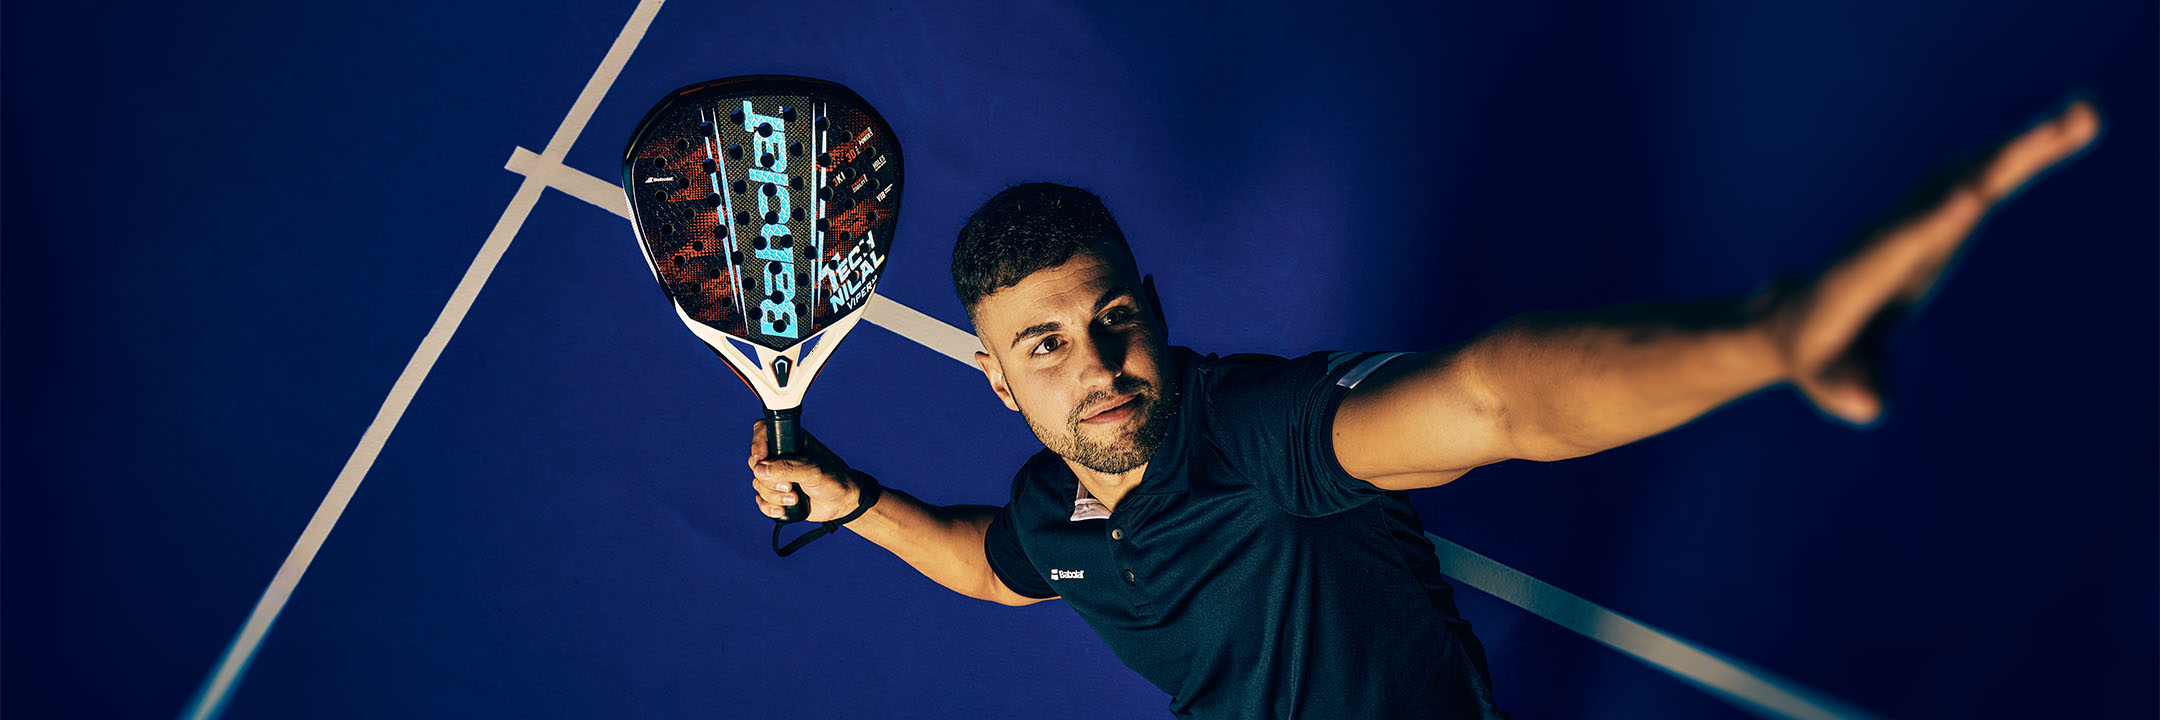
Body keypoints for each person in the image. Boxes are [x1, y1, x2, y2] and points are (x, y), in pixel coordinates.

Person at [743, 101, 2099, 718]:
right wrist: (855, 502)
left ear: (1151, 307)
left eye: (1111, 320)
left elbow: (1497, 403)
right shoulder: (1058, 509)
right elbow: (996, 564)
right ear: (997, 377)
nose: (1096, 367)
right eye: (1043, 347)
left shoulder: (1257, 435)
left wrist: (1767, 339)